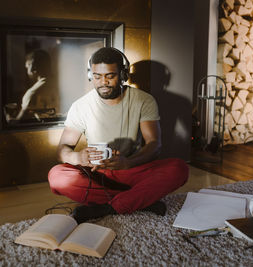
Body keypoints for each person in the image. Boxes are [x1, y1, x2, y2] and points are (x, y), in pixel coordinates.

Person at [48, 47, 189, 224]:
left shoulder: (143, 100)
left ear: (123, 75)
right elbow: (62, 150)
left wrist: (128, 162)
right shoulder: (80, 106)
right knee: (57, 176)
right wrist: (77, 156)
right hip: (97, 174)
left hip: (131, 168)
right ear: (91, 75)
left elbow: (154, 143)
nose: (102, 82)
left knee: (179, 168)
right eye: (97, 76)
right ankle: (139, 201)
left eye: (110, 76)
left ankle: (109, 207)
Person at [5, 49, 56, 122]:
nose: (27, 70)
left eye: (27, 66)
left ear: (34, 68)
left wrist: (9, 119)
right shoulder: (55, 83)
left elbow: (17, 122)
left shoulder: (32, 92)